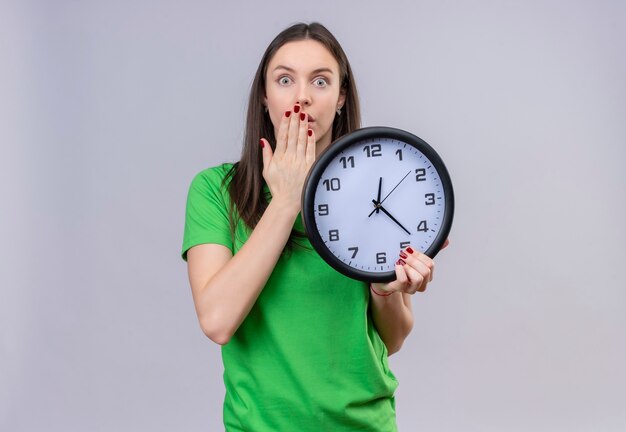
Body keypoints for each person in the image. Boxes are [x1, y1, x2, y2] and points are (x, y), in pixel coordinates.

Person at [181, 22, 448, 432]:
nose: (302, 96)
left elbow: (392, 340)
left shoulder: (371, 192)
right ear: (265, 97)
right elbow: (218, 320)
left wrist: (385, 288)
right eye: (285, 79)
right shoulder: (215, 190)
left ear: (340, 98)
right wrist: (287, 199)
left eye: (320, 81)